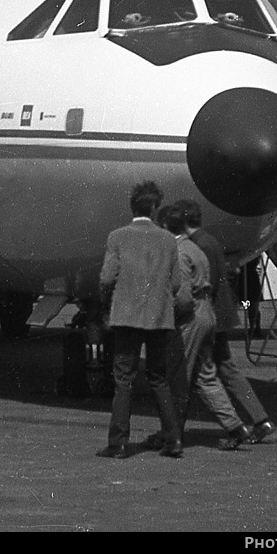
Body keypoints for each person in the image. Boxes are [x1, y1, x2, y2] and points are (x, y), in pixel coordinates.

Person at [96, 180, 184, 459]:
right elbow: (177, 283)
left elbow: (107, 277)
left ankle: (119, 442)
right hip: (159, 316)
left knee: (123, 379)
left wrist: (107, 301)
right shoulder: (168, 239)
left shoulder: (117, 236)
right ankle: (173, 439)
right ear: (156, 208)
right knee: (159, 378)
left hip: (126, 315)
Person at [177, 198, 274, 444]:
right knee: (226, 370)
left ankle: (176, 428)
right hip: (224, 312)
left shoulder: (197, 245)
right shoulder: (210, 240)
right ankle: (260, 418)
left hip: (210, 315)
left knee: (195, 371)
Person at [156, 202, 250, 451]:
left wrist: (169, 316)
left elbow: (184, 296)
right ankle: (235, 426)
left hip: (191, 318)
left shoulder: (177, 251)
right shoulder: (194, 248)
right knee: (205, 375)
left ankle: (172, 434)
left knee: (178, 375)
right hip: (207, 312)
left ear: (166, 227)